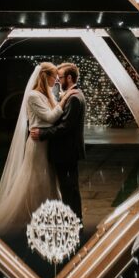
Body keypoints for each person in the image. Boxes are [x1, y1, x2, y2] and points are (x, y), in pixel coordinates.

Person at [0, 62, 78, 235]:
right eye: (54, 77)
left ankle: (48, 215)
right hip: (37, 145)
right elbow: (50, 117)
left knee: (48, 179)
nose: (57, 81)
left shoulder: (49, 94)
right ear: (45, 77)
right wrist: (65, 99)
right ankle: (33, 215)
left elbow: (56, 118)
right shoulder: (33, 96)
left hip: (46, 143)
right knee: (35, 179)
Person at [30, 63, 86, 225]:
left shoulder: (74, 97)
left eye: (60, 77)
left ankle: (75, 223)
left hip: (67, 152)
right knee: (69, 189)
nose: (57, 81)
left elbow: (65, 127)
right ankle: (74, 221)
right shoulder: (72, 95)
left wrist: (43, 133)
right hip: (67, 151)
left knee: (69, 190)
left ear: (69, 78)